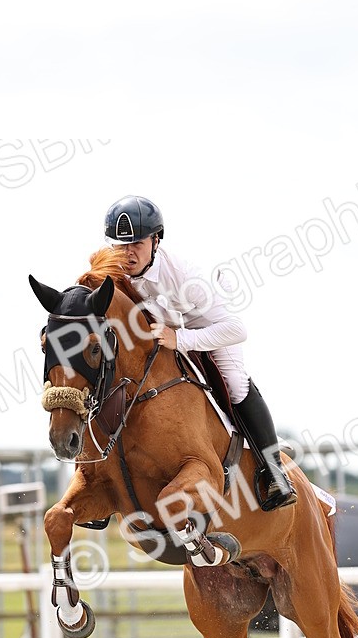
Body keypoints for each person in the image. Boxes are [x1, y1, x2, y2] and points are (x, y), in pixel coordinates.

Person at [102, 194, 297, 509]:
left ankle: (275, 472)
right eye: (120, 245)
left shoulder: (187, 278)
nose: (128, 253)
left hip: (210, 323)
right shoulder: (115, 268)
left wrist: (180, 340)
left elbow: (237, 330)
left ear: (155, 241)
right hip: (167, 326)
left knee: (234, 383)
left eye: (137, 243)